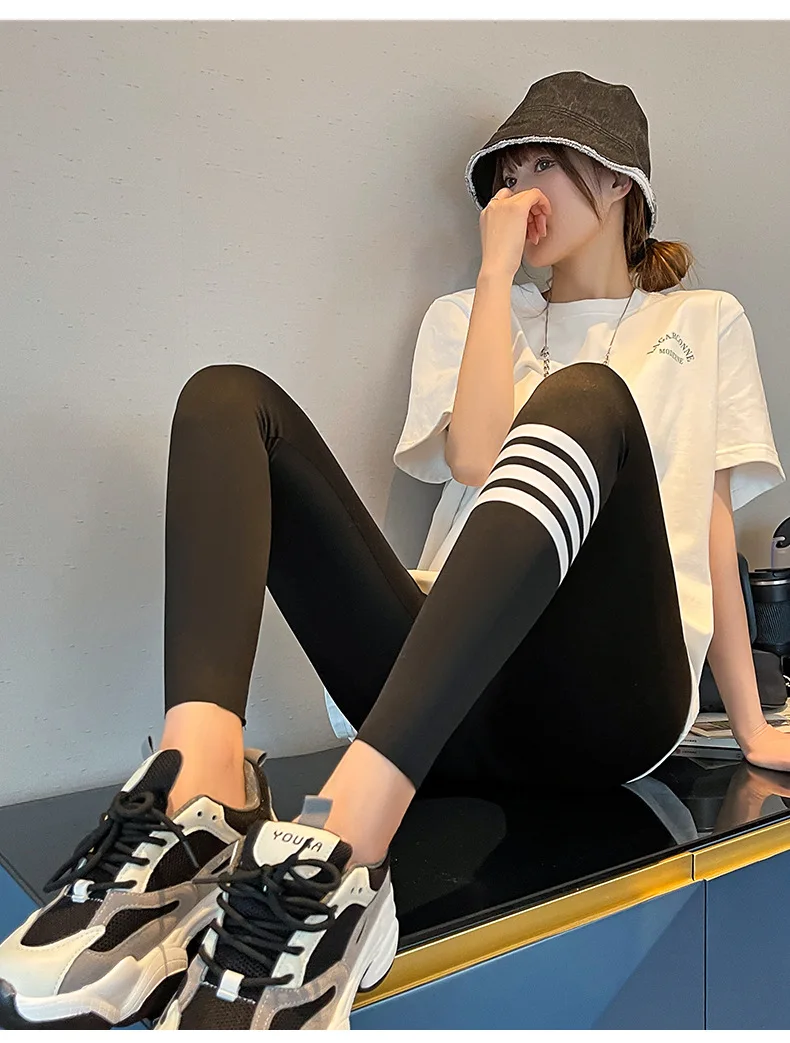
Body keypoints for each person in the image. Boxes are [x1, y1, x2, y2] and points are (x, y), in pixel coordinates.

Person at [0, 69, 786, 1032]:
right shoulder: (467, 316)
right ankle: (197, 794)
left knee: (588, 401)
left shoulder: (704, 322)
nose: (519, 192)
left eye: (544, 164)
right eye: (505, 176)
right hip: (441, 695)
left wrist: (753, 726)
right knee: (224, 397)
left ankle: (349, 846)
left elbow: (709, 523)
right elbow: (476, 456)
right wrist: (496, 277)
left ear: (619, 179)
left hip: (604, 707)